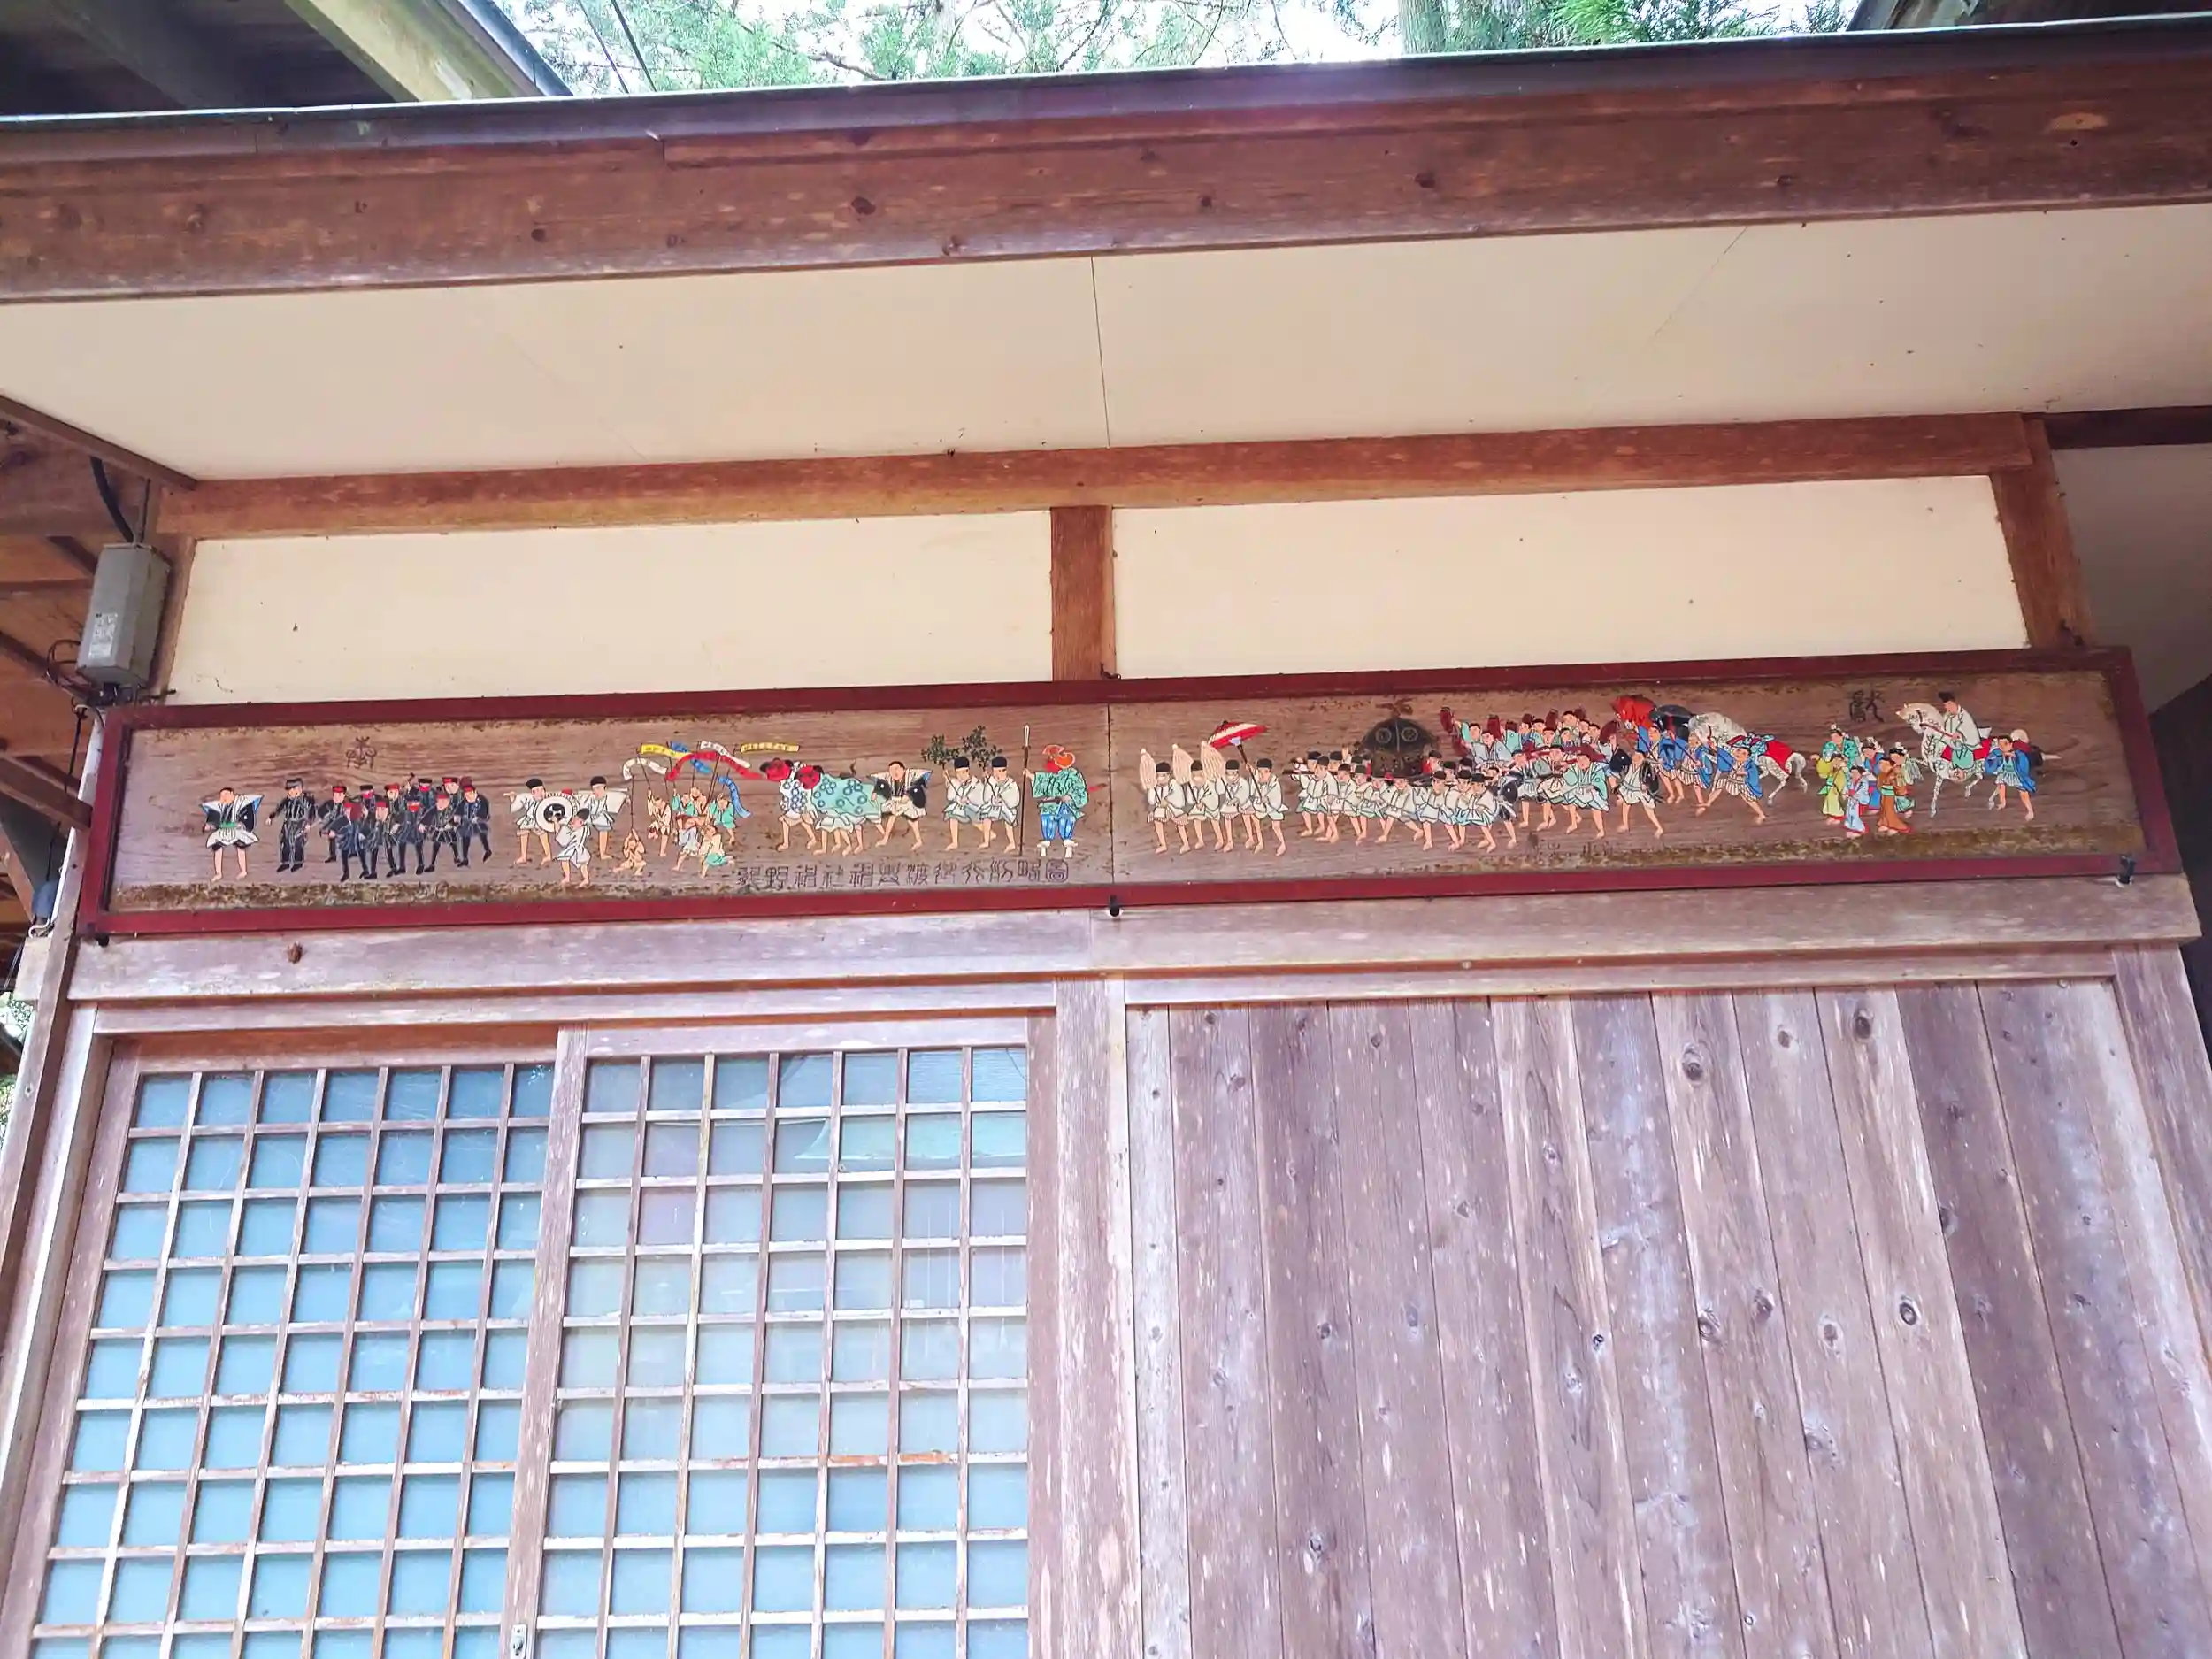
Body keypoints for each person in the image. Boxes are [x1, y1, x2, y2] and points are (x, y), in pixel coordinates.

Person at [1031, 744, 1088, 857]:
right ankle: (1046, 840)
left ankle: (1067, 840)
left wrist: (1070, 796)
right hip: (1051, 804)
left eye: (1052, 758)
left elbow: (1079, 788)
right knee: (1046, 816)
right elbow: (1043, 780)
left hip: (1066, 805)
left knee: (1066, 818)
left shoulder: (1073, 774)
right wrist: (1030, 776)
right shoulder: (1052, 775)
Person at [202, 787, 261, 882]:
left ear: (232, 793)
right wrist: (210, 825)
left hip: (237, 830)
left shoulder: (242, 803)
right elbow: (214, 819)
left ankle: (243, 870)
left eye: (226, 794)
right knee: (216, 846)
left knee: (241, 846)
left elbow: (247, 818)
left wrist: (241, 824)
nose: (224, 797)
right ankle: (218, 873)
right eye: (222, 796)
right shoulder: (219, 806)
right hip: (223, 830)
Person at [274, 778, 312, 873]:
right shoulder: (287, 800)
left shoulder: (306, 800)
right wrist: (271, 817)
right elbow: (279, 809)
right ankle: (285, 863)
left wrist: (309, 823)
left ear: (298, 790)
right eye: (289, 790)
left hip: (299, 823)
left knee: (298, 843)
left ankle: (298, 863)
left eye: (291, 790)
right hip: (288, 823)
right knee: (285, 842)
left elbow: (311, 812)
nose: (289, 792)